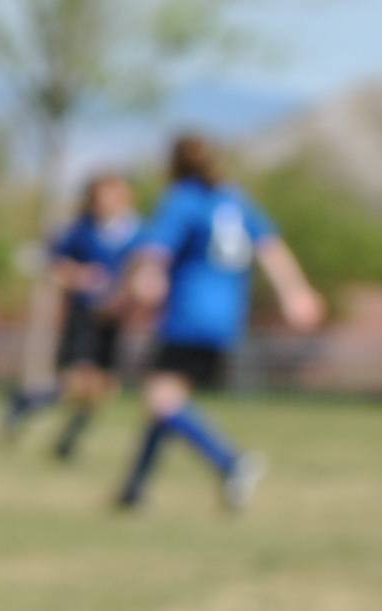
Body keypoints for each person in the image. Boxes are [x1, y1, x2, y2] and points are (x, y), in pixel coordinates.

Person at [115, 132, 323, 514]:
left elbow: (155, 253)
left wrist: (139, 287)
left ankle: (230, 462)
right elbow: (272, 248)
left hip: (187, 314)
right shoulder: (235, 202)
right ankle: (133, 489)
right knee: (168, 402)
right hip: (227, 318)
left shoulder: (183, 200)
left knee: (162, 400)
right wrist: (298, 293)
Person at [0, 171, 140, 462]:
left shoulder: (138, 233)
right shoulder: (80, 231)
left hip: (114, 319)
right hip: (84, 316)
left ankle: (64, 438)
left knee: (104, 389)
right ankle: (24, 404)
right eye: (101, 197)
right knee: (77, 382)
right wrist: (79, 277)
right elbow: (53, 267)